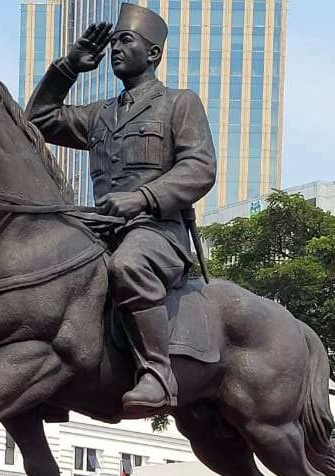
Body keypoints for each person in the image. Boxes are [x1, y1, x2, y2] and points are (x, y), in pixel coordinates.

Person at [27, 3, 217, 416]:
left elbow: (200, 169)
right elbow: (38, 120)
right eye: (113, 42)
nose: (115, 48)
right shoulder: (100, 114)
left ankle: (158, 374)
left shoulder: (178, 104)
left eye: (125, 40)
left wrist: (142, 198)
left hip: (157, 233)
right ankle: (48, 379)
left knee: (127, 265)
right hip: (100, 229)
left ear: (153, 54)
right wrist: (68, 67)